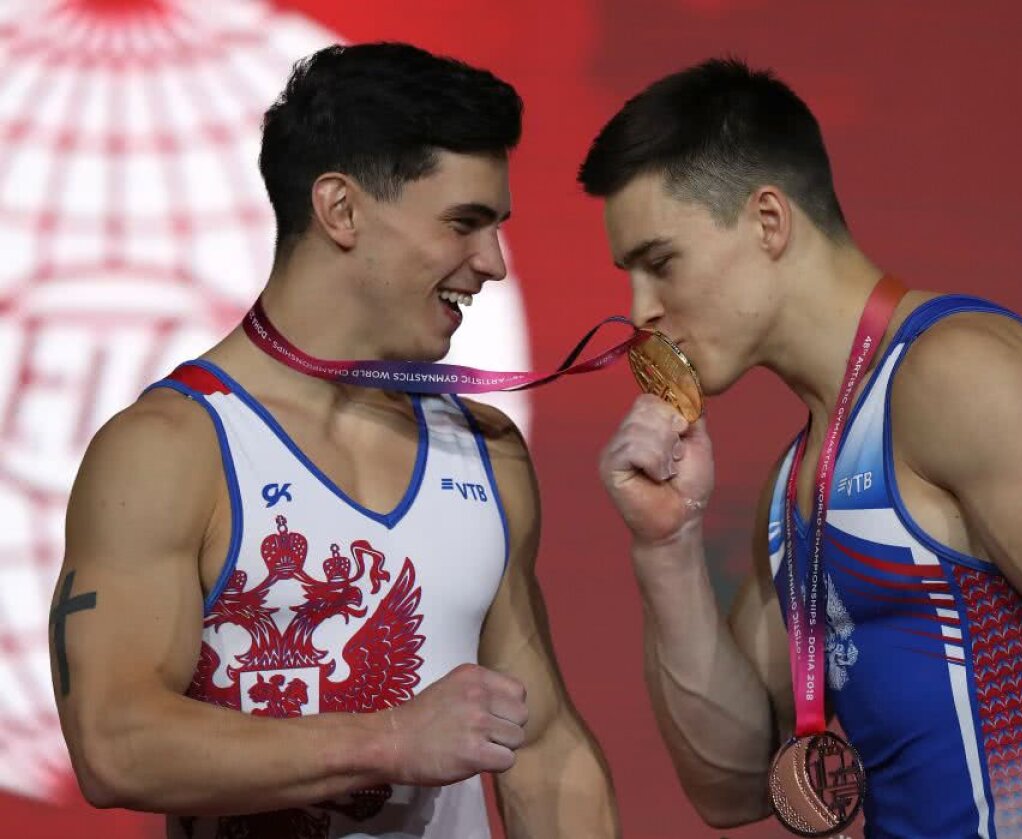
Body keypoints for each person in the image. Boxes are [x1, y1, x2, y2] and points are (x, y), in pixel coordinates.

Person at [580, 57, 1022, 838]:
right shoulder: (797, 479)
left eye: (660, 263)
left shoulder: (957, 374)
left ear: (768, 221)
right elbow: (732, 786)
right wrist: (665, 546)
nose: (641, 310)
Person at [50, 42, 618, 839]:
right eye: (464, 223)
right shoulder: (170, 448)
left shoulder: (484, 449)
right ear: (341, 209)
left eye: (497, 228)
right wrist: (388, 740)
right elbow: (115, 744)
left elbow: (543, 747)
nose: (491, 262)